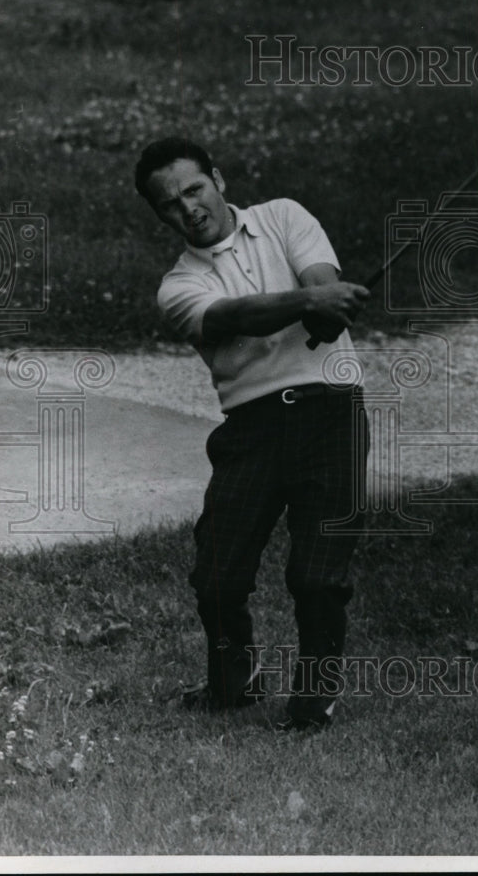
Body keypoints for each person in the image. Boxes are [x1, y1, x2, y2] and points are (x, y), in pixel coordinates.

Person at [134, 136, 370, 730]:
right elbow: (236, 317)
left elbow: (321, 275)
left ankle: (313, 706)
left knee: (318, 575)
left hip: (331, 413)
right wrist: (311, 299)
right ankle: (233, 686)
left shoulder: (285, 216)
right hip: (252, 428)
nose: (188, 207)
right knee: (216, 576)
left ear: (219, 179)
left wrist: (323, 297)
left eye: (194, 189)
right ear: (160, 215)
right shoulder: (177, 287)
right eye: (170, 204)